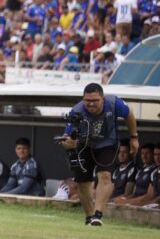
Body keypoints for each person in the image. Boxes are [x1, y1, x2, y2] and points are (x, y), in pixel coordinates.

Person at [57, 82, 139, 226]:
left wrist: (134, 137)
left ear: (103, 98)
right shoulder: (76, 111)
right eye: (87, 100)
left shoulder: (114, 103)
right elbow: (66, 137)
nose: (91, 104)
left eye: (95, 100)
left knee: (105, 175)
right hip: (84, 146)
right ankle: (89, 217)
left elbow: (129, 114)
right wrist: (68, 143)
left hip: (107, 144)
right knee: (83, 182)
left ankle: (98, 214)